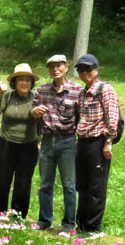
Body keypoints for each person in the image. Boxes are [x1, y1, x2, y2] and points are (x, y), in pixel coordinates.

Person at [30, 55, 83, 233]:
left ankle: (69, 224)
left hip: (68, 140)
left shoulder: (77, 90)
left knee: (69, 185)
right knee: (45, 184)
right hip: (46, 141)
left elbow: (82, 117)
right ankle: (45, 220)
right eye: (51, 66)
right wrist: (35, 112)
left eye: (59, 66)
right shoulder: (42, 90)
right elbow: (33, 115)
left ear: (66, 67)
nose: (55, 69)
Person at [74, 53, 120, 239]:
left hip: (98, 141)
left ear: (96, 70)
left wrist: (108, 142)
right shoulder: (82, 92)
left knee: (96, 185)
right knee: (82, 183)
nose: (84, 72)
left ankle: (93, 227)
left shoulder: (105, 89)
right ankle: (81, 225)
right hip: (83, 141)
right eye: (81, 69)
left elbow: (112, 117)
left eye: (88, 69)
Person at [0, 63, 40, 219]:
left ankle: (18, 216)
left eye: (27, 80)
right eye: (20, 80)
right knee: (2, 179)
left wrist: (40, 141)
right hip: (5, 143)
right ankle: (0, 213)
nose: (24, 83)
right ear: (15, 82)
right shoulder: (8, 96)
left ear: (31, 83)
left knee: (23, 182)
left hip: (29, 146)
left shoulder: (37, 98)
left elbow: (43, 122)